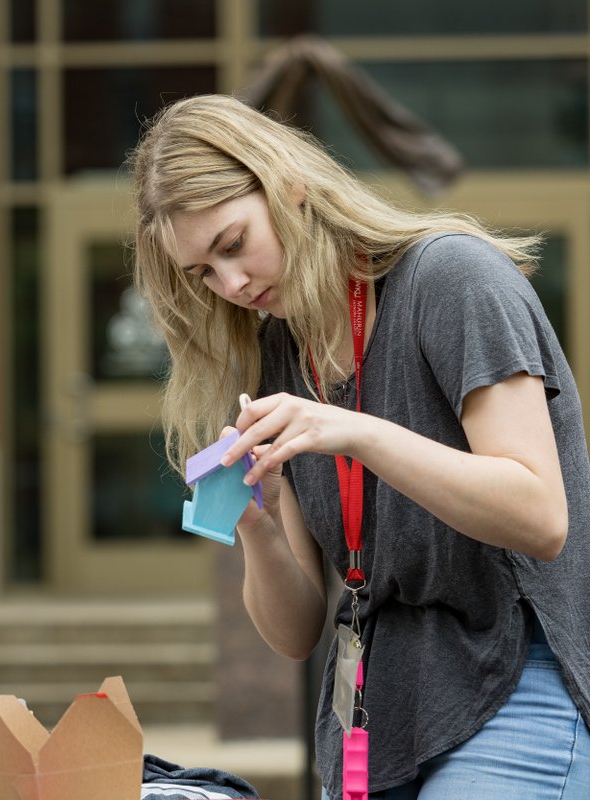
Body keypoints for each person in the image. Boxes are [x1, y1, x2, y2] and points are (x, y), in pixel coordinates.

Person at [130, 94, 590, 799]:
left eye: (232, 245)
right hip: (380, 717)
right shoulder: (275, 351)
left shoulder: (451, 278)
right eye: (203, 275)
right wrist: (255, 518)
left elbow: (540, 515)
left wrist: (356, 432)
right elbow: (294, 632)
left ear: (288, 184)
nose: (232, 285)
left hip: (517, 679)